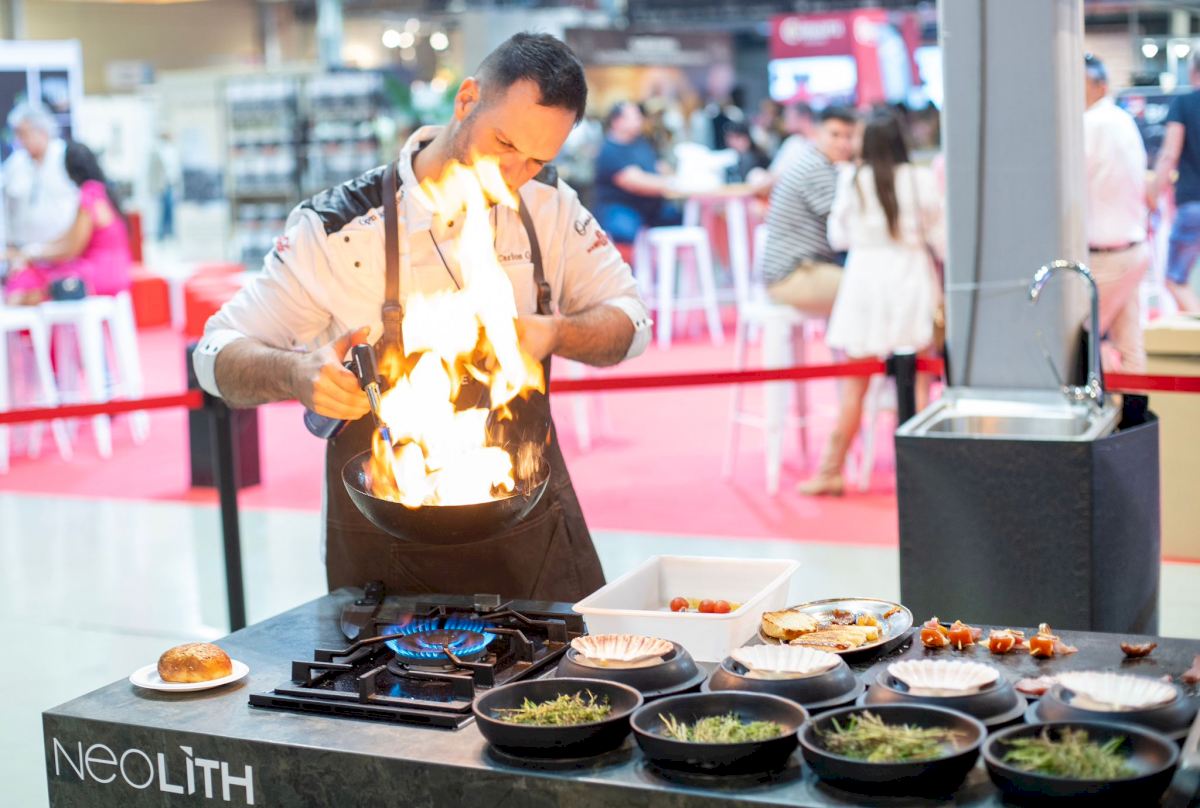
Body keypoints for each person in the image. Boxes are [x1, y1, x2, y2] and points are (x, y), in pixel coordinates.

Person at [193, 33, 651, 603]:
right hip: (387, 551)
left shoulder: (549, 207)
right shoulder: (339, 228)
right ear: (466, 100)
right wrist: (296, 374)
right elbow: (213, 357)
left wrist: (554, 331)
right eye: (504, 143)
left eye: (537, 160)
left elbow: (632, 322)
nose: (513, 175)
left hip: (531, 537)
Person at [799, 113, 942, 496]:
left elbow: (838, 237)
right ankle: (918, 476)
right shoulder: (921, 179)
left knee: (855, 386)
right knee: (917, 382)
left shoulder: (852, 179)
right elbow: (939, 234)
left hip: (864, 284)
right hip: (911, 279)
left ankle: (831, 470)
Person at [1082, 54, 1150, 372]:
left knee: (1080, 339)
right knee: (1130, 343)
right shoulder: (1122, 119)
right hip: (1132, 248)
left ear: (1100, 86)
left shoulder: (1090, 124)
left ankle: (1100, 403)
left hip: (1107, 255)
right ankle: (1135, 404)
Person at [5, 141, 132, 305]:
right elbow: (68, 237)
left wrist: (33, 254)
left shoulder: (90, 195)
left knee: (30, 280)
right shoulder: (105, 192)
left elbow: (71, 249)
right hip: (118, 273)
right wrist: (33, 250)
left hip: (97, 277)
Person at [761, 106, 858, 318]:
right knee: (867, 288)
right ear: (818, 133)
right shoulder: (816, 169)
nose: (843, 143)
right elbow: (848, 226)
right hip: (795, 274)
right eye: (835, 135)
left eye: (849, 136)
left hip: (804, 269)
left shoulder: (820, 164)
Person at [1151, 50, 1200, 313]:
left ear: (1193, 72)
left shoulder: (1184, 104)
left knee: (1175, 280)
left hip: (1194, 203)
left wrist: (1151, 195)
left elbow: (1169, 154)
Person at [592, 101, 679, 245]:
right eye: (634, 117)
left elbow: (658, 167)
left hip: (649, 206)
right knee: (625, 229)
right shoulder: (609, 150)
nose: (640, 120)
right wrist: (672, 183)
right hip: (620, 206)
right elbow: (633, 182)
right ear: (617, 121)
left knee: (677, 217)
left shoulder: (641, 143)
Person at [3, 102, 78, 251]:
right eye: (17, 134)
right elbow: (7, 206)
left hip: (62, 249)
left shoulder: (67, 156)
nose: (19, 140)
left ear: (42, 131)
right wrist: (11, 245)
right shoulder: (15, 163)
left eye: (23, 134)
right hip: (24, 250)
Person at [147, 130, 183, 241]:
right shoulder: (157, 151)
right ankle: (162, 234)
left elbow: (176, 170)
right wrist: (152, 188)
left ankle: (169, 233)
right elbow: (152, 172)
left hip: (171, 184)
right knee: (163, 210)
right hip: (161, 186)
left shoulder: (173, 151)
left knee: (170, 209)